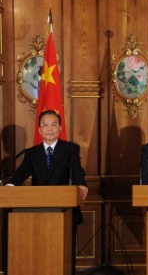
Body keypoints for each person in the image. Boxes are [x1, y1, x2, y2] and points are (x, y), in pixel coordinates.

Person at [7, 109, 88, 274]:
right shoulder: (31, 153)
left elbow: (76, 168)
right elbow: (21, 174)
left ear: (59, 128)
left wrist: (81, 184)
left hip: (65, 209)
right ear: (39, 130)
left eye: (53, 125)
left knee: (64, 251)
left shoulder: (70, 149)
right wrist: (10, 187)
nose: (49, 129)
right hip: (37, 211)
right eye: (45, 125)